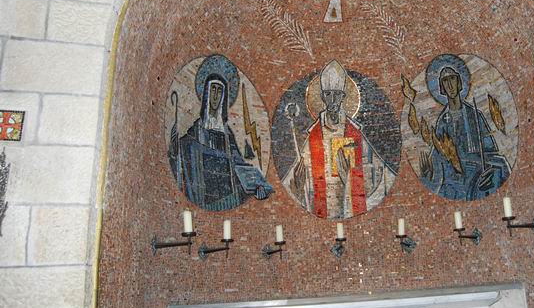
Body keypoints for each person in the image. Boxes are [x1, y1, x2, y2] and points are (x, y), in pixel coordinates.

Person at [283, 60, 396, 219]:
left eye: (337, 94)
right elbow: (296, 180)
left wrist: (350, 177)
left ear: (343, 97)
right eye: (328, 94)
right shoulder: (314, 135)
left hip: (348, 207)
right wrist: (297, 184)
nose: (333, 100)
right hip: (321, 210)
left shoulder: (354, 133)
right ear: (322, 97)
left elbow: (380, 175)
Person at [169, 73, 273, 210]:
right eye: (213, 89)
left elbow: (238, 164)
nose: (216, 95)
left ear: (223, 97)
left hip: (227, 198)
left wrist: (257, 187)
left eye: (219, 91)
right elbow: (183, 149)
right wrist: (175, 150)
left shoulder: (226, 132)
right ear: (206, 93)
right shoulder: (198, 129)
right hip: (203, 196)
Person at [422, 66, 509, 200]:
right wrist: (429, 172)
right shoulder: (442, 121)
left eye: (452, 79)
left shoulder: (474, 114)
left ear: (459, 82)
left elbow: (490, 152)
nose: (450, 85)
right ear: (442, 88)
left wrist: (488, 172)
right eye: (446, 81)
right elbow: (438, 154)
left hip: (477, 171)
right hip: (454, 177)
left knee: (501, 166)